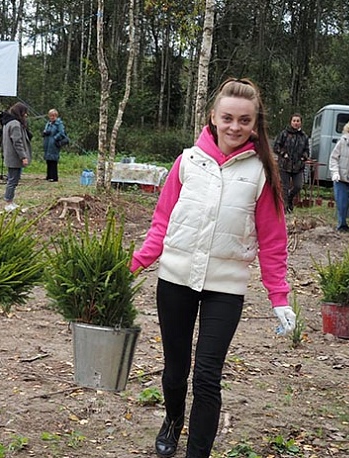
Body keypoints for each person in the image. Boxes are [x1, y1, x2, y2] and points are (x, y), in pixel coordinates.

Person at [130, 78, 293, 458]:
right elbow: (162, 223)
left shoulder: (261, 172)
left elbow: (272, 242)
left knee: (207, 375)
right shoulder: (187, 162)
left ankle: (197, 452)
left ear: (256, 124)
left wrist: (279, 297)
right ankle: (172, 420)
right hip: (175, 280)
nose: (235, 127)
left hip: (226, 287)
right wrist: (134, 264)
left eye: (245, 120)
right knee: (175, 370)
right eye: (228, 118)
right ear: (213, 118)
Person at [273, 113, 309, 213]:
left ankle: (289, 198)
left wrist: (303, 157)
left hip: (298, 166)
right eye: (294, 121)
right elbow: (276, 147)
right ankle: (284, 208)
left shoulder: (304, 136)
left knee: (298, 186)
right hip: (285, 164)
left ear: (301, 122)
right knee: (285, 186)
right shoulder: (284, 134)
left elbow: (307, 150)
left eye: (298, 121)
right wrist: (283, 154)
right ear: (291, 122)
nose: (296, 123)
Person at [0, 102, 31, 212]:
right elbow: (17, 142)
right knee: (12, 180)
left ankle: (11, 201)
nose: (26, 115)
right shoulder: (15, 124)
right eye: (24, 113)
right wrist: (23, 156)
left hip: (10, 156)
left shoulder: (8, 123)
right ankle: (8, 202)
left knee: (13, 179)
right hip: (14, 157)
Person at [42, 108, 67, 182]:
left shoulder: (59, 124)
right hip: (47, 143)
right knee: (48, 160)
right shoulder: (48, 123)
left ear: (56, 116)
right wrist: (45, 133)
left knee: (53, 160)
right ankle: (48, 175)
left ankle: (54, 177)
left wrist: (55, 138)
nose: (52, 117)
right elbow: (46, 130)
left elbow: (62, 133)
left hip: (54, 144)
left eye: (53, 116)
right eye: (50, 116)